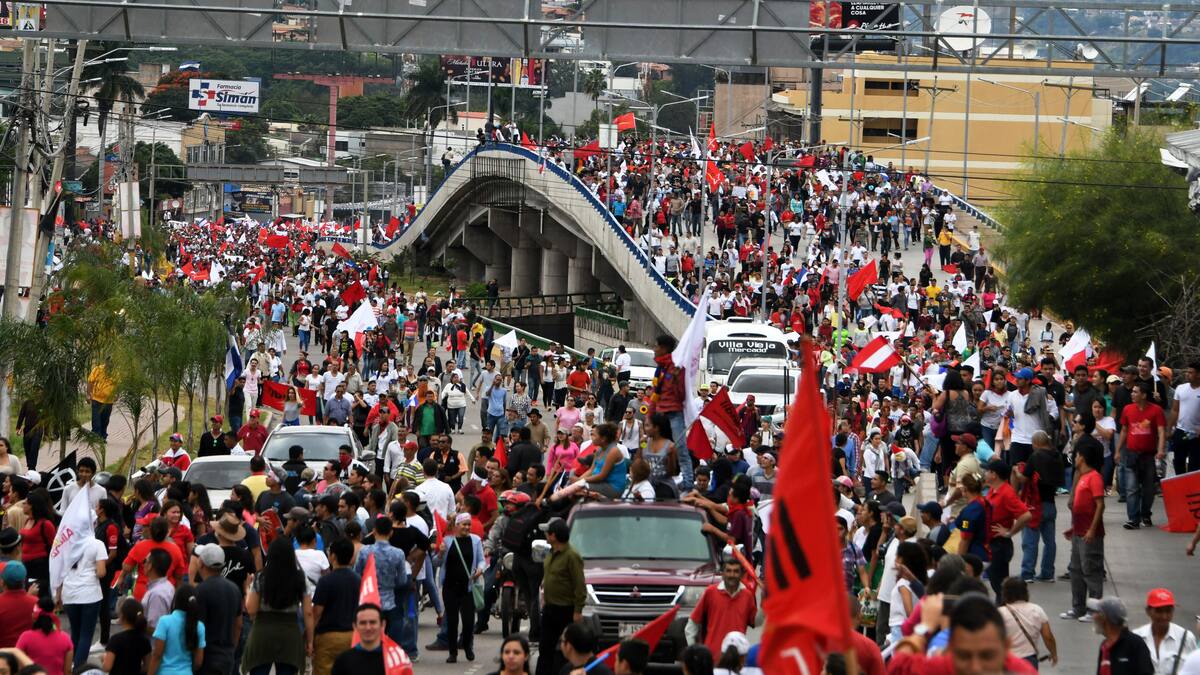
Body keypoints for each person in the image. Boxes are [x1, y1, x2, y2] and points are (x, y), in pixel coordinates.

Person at [888, 593, 1037, 673]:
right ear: (949, 649)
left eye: (987, 655)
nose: (975, 668)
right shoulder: (1021, 670)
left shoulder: (944, 667)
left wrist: (924, 627)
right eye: (964, 656)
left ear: (1006, 646)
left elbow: (899, 665)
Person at [243, 538, 313, 675]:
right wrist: (309, 641)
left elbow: (251, 609)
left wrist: (246, 590)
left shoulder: (261, 577)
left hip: (262, 634)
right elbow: (308, 613)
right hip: (290, 635)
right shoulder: (300, 578)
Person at [55, 515, 106, 670]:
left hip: (69, 592)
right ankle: (79, 669)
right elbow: (101, 572)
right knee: (86, 635)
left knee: (75, 632)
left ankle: (69, 666)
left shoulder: (66, 544)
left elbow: (59, 571)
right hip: (90, 593)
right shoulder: (97, 544)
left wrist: (58, 594)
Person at [1062, 441, 1105, 621]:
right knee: (1076, 570)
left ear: (1083, 457)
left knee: (1091, 571)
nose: (1075, 458)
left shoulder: (1094, 477)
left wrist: (1092, 530)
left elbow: (1100, 505)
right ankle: (1078, 607)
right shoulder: (1082, 477)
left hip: (1089, 535)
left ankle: (1094, 610)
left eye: (1077, 455)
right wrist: (1074, 528)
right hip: (1079, 532)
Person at [537, 518, 586, 675]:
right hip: (550, 608)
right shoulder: (551, 553)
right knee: (545, 648)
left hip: (565, 610)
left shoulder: (572, 556)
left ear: (554, 536)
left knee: (565, 650)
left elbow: (579, 585)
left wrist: (577, 611)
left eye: (548, 533)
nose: (546, 535)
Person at [1117, 382, 1167, 529]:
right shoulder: (1127, 409)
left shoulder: (1156, 410)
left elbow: (1161, 431)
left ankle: (1145, 513)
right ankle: (1133, 519)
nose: (1132, 394)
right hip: (1131, 453)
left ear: (1144, 395)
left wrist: (1160, 450)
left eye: (1135, 392)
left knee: (1148, 489)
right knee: (1131, 488)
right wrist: (1118, 450)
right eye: (1132, 391)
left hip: (1148, 455)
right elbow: (1124, 430)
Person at [687, 558, 758, 657]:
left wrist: (764, 603)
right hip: (712, 657)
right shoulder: (711, 592)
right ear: (722, 574)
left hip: (737, 659)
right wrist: (693, 652)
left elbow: (755, 622)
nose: (732, 575)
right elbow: (692, 623)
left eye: (736, 571)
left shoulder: (747, 596)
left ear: (741, 574)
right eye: (728, 571)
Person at [438, 512, 484, 664]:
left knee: (469, 621)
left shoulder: (475, 540)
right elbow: (436, 562)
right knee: (452, 621)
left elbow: (481, 560)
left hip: (468, 587)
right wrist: (440, 553)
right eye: (464, 524)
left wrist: (480, 569)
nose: (467, 527)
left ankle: (467, 645)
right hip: (450, 587)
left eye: (469, 524)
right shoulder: (447, 541)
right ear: (457, 525)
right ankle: (453, 653)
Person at [982, 459, 1030, 599]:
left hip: (999, 545)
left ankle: (1005, 608)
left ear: (994, 475)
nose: (985, 473)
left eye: (987, 471)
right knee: (996, 583)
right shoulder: (994, 490)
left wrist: (1009, 532)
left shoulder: (1006, 493)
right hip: (991, 544)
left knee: (1000, 586)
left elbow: (1026, 515)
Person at [1019, 430, 1063, 583]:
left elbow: (1024, 478)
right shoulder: (1057, 456)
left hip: (1035, 504)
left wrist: (1016, 473)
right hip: (1050, 503)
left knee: (1030, 541)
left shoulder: (1036, 456)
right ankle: (1047, 572)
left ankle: (1027, 573)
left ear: (1036, 443)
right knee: (1050, 541)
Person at [313, 539, 361, 675]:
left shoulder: (325, 581)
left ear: (333, 556)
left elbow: (317, 613)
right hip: (352, 635)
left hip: (327, 637)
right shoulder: (358, 580)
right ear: (351, 557)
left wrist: (309, 637)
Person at [192, 544, 242, 675]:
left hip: (206, 660)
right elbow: (238, 625)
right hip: (226, 658)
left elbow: (198, 629)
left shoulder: (200, 591)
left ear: (201, 564)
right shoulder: (234, 589)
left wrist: (196, 661)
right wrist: (231, 650)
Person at [1132, 588, 1198, 675]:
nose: (1164, 616)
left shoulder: (1186, 638)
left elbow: (1196, 668)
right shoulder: (1136, 637)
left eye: (1168, 611)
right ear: (1148, 611)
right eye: (1159, 611)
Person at [999, 577, 1058, 670]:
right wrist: (1054, 654)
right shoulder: (1036, 610)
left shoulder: (1000, 613)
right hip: (1028, 660)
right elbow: (1048, 637)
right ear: (1025, 592)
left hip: (1006, 660)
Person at [1089, 596, 1155, 675]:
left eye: (1097, 612)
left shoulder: (1135, 644)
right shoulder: (1104, 646)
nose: (1093, 616)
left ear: (1104, 618)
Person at [149, 585, 206, 675]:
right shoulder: (199, 626)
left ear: (176, 600)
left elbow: (157, 655)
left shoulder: (165, 621)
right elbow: (198, 662)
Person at [17, 596, 72, 675]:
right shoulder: (65, 638)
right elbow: (68, 670)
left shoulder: (25, 637)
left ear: (34, 616)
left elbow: (18, 664)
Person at [330, 604, 390, 675]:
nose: (368, 628)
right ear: (355, 626)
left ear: (383, 624)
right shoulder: (343, 661)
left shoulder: (394, 660)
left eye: (372, 622)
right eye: (362, 623)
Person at [19, 491, 55, 596]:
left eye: (26, 503)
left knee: (38, 593)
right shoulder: (27, 521)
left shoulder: (45, 524)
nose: (23, 504)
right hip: (25, 563)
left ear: (32, 506)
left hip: (39, 566)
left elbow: (53, 546)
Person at [103, 599, 151, 675]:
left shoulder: (115, 640)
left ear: (122, 616)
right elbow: (147, 666)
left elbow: (107, 667)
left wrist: (103, 659)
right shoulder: (145, 640)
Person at [0, 562, 35, 648]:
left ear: (2, 582)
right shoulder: (36, 603)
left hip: (3, 653)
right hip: (28, 653)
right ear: (24, 581)